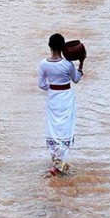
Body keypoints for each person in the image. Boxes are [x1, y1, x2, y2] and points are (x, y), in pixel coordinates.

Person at [38, 33, 84, 175]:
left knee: (53, 127)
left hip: (53, 97)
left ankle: (55, 159)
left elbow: (41, 84)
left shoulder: (43, 63)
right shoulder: (68, 64)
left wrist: (52, 89)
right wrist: (81, 64)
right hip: (66, 98)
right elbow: (76, 79)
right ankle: (58, 163)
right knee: (65, 127)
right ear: (63, 46)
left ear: (50, 46)